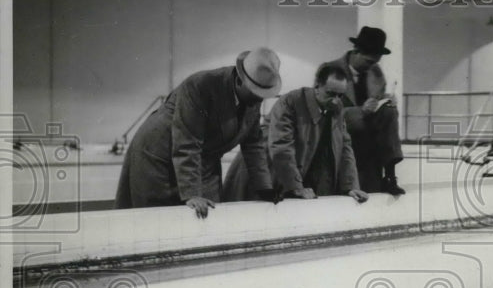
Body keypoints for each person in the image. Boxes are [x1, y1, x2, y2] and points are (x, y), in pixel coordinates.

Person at [115, 48, 281, 218]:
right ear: (239, 80)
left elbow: (253, 144)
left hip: (201, 157)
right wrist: (192, 194)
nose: (259, 99)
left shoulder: (252, 98)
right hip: (160, 155)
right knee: (163, 219)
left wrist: (264, 188)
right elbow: (187, 142)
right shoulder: (201, 85)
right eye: (256, 93)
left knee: (211, 212)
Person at [268, 63, 369, 203]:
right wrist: (295, 187)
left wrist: (350, 187)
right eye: (330, 94)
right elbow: (281, 148)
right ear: (316, 86)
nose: (336, 101)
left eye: (340, 95)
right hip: (276, 177)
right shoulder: (290, 102)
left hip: (313, 177)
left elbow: (345, 148)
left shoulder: (336, 107)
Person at [325, 26, 405, 195]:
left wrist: (387, 99)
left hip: (369, 137)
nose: (371, 67)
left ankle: (390, 176)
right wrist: (360, 111)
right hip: (342, 133)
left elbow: (379, 99)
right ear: (356, 51)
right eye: (369, 61)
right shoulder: (329, 70)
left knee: (389, 111)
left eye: (375, 62)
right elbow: (324, 112)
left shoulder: (375, 72)